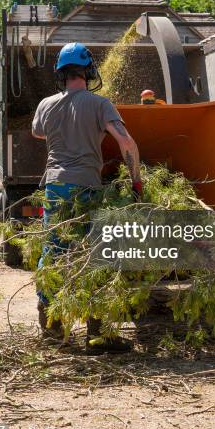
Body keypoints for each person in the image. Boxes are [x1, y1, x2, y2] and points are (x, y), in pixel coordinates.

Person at [32, 42, 142, 353]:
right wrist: (136, 181)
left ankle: (53, 330)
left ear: (60, 74)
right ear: (89, 71)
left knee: (53, 254)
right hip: (87, 189)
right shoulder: (99, 104)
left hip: (55, 188)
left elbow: (38, 132)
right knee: (95, 256)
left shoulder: (45, 105)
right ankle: (97, 335)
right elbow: (127, 142)